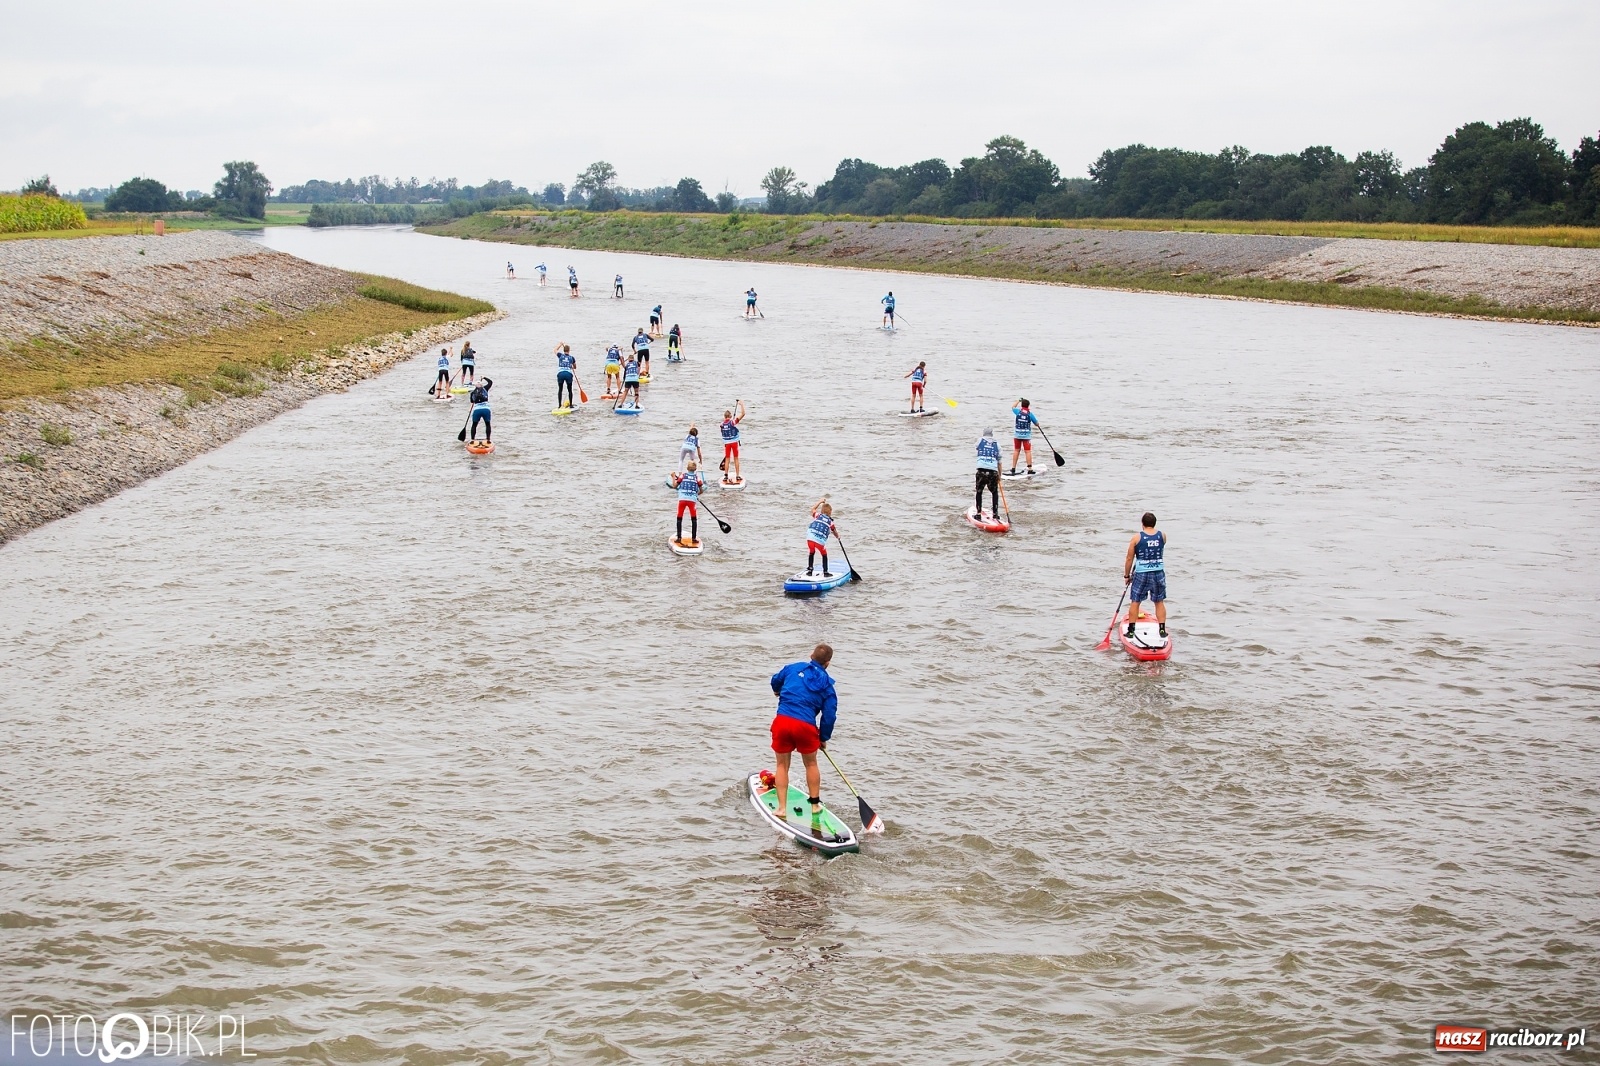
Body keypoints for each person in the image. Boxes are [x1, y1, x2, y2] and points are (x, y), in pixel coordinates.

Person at [766, 643, 838, 823]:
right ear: (827, 663)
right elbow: (829, 715)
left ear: (811, 655)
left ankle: (782, 809)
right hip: (806, 727)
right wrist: (823, 737)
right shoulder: (828, 686)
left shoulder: (793, 668)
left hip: (783, 721)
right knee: (811, 764)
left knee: (782, 765)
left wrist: (777, 691)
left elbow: (775, 680)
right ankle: (814, 805)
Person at [1123, 512, 1169, 640]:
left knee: (1135, 601)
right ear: (1154, 523)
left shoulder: (1136, 538)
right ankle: (1162, 630)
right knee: (1159, 601)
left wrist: (1126, 576)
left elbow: (1129, 558)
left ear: (1142, 524)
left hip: (1141, 573)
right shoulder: (1162, 536)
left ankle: (1131, 631)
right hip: (1158, 572)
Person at [674, 461, 705, 548]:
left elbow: (675, 486)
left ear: (687, 468)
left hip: (682, 500)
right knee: (694, 519)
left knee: (679, 518)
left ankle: (679, 538)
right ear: (695, 469)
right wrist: (696, 495)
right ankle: (694, 538)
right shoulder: (697, 478)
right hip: (692, 501)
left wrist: (673, 477)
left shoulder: (682, 476)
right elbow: (701, 490)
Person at [804, 497, 836, 577]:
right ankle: (825, 572)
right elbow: (834, 531)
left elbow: (813, 509)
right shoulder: (830, 522)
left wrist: (820, 501)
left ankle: (810, 570)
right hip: (820, 541)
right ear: (830, 512)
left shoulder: (818, 516)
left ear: (822, 511)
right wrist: (838, 537)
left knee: (812, 552)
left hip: (810, 538)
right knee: (824, 554)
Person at [975, 428, 1001, 519]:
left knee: (979, 492)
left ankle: (978, 513)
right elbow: (999, 462)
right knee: (994, 492)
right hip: (993, 472)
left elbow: (976, 447)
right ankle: (995, 513)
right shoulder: (997, 444)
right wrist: (999, 475)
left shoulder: (980, 441)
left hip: (981, 471)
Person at [1010, 398, 1039, 476]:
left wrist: (1018, 400)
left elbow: (1013, 407)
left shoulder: (1018, 412)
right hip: (1026, 436)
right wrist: (1037, 424)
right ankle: (1030, 469)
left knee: (1016, 450)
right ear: (1028, 406)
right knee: (1027, 451)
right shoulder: (1030, 414)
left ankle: (1013, 468)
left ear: (1022, 405)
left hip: (1017, 435)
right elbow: (1036, 423)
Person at [719, 400, 746, 484]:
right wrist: (741, 405)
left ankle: (726, 475)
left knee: (727, 459)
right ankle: (737, 475)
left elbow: (724, 428)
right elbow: (743, 414)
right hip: (734, 443)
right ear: (730, 416)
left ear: (724, 417)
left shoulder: (722, 424)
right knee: (736, 458)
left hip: (727, 444)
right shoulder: (733, 422)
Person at [468, 377, 494, 442]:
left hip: (477, 410)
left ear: (475, 386)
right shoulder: (485, 388)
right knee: (487, 424)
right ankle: (488, 439)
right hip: (486, 410)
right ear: (481, 385)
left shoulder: (472, 392)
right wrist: (484, 377)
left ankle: (472, 439)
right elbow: (490, 382)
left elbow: (472, 401)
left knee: (474, 425)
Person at [554, 343, 577, 410]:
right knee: (570, 390)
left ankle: (559, 405)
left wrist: (560, 344)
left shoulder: (560, 355)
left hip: (560, 374)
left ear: (563, 350)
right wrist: (571, 366)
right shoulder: (572, 358)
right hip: (568, 374)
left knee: (560, 389)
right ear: (569, 350)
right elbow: (575, 367)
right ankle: (571, 405)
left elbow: (555, 350)